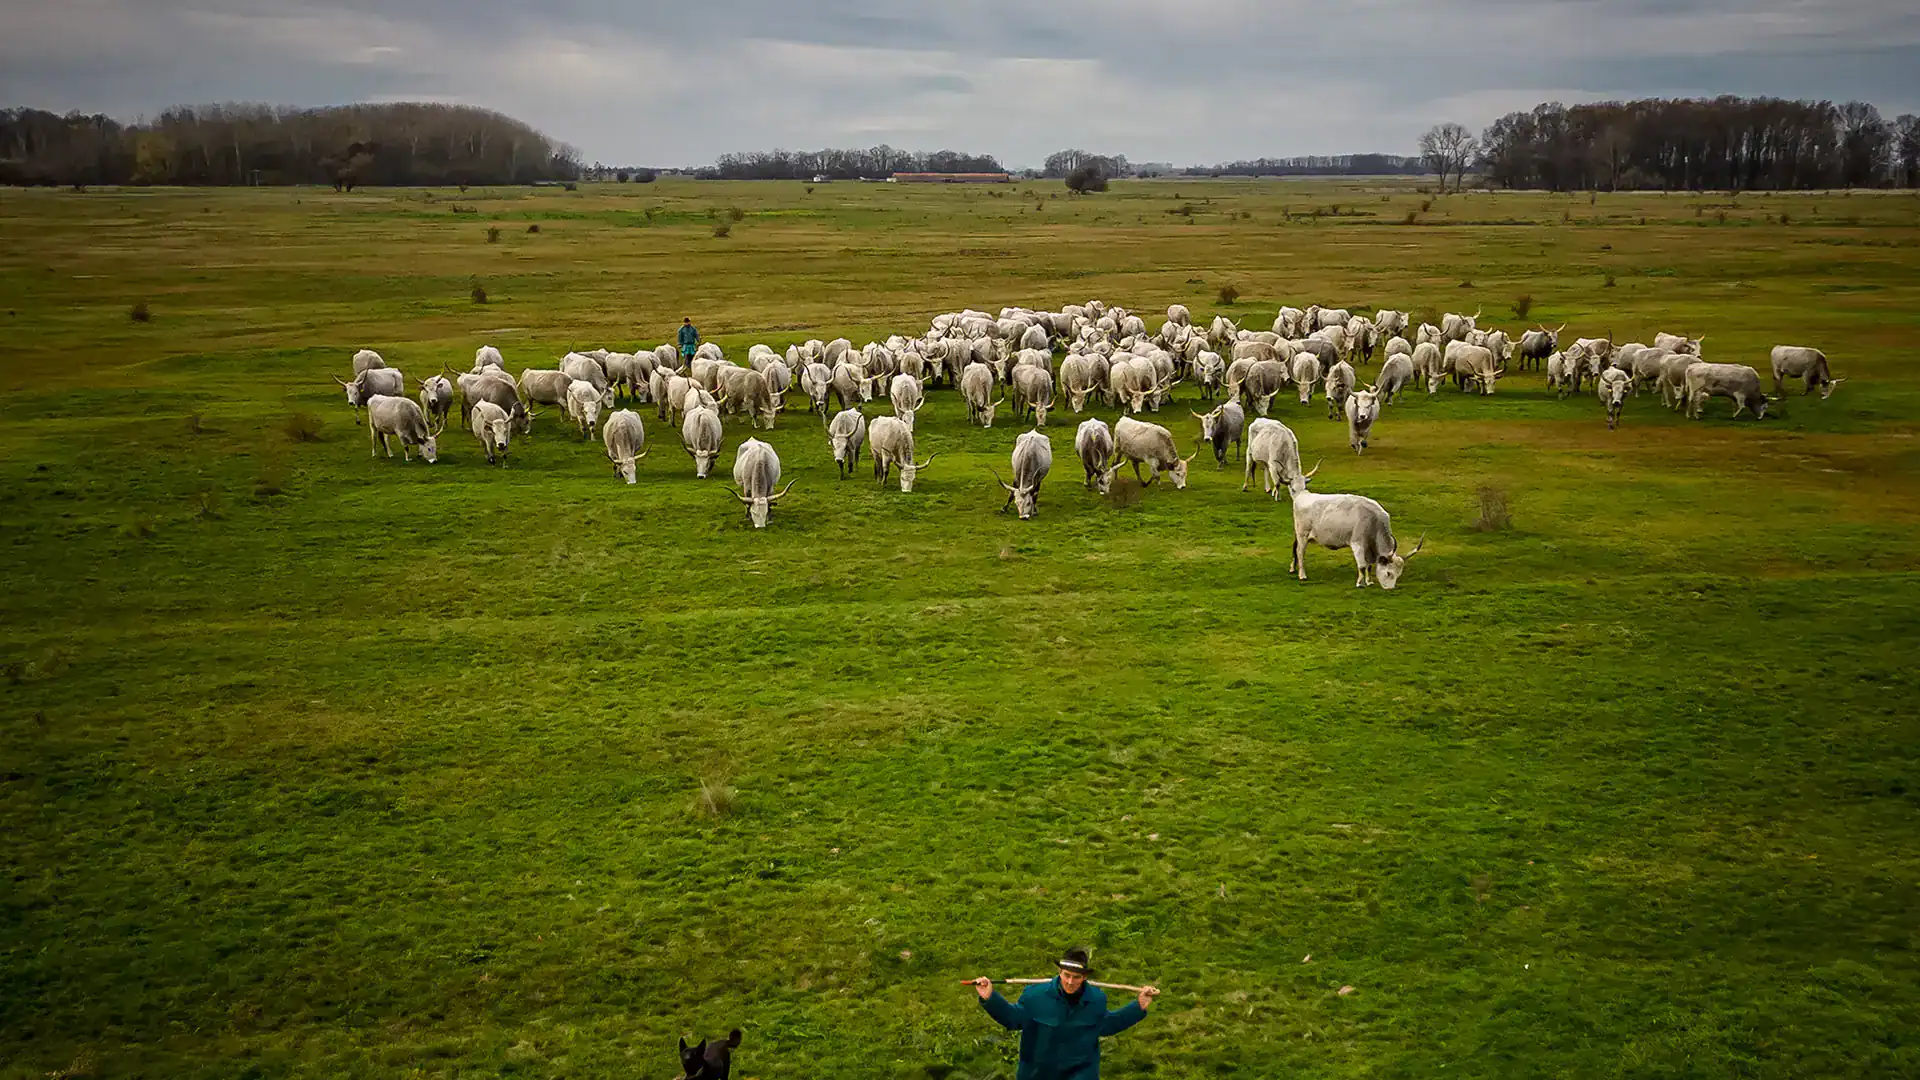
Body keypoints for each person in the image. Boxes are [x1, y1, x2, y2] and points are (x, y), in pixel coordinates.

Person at [971, 947, 1157, 1080]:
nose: (1070, 981)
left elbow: (1107, 1025)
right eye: (1066, 975)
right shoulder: (1035, 995)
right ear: (1059, 972)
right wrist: (990, 998)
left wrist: (1138, 1006)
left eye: (1076, 977)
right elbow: (1012, 1019)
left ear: (1085, 977)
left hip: (1081, 1071)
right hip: (1038, 1072)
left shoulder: (1096, 999)